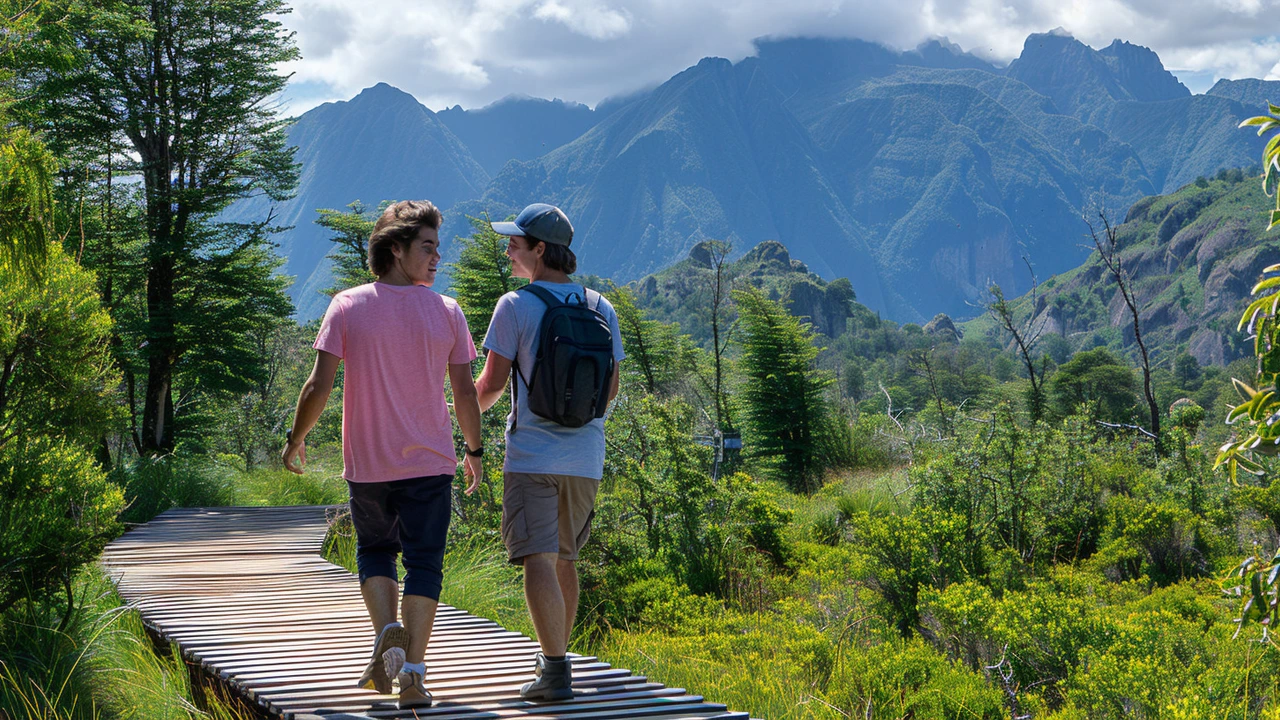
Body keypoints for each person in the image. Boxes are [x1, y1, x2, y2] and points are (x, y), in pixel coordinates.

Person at [280, 200, 483, 710]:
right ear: (396, 249)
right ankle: (413, 674)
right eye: (428, 247)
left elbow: (318, 385)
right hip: (431, 463)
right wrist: (475, 451)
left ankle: (387, 628)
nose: (438, 257)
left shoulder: (347, 305)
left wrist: (296, 438)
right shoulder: (447, 312)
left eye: (439, 247)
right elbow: (463, 393)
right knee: (424, 563)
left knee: (374, 552)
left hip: (368, 464)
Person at [474, 203, 624, 700]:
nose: (509, 249)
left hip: (533, 456)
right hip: (586, 458)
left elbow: (492, 384)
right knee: (565, 558)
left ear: (540, 250)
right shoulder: (602, 307)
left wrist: (455, 409)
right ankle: (556, 664)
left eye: (516, 242)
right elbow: (612, 389)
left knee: (536, 557)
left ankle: (554, 673)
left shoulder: (514, 306)